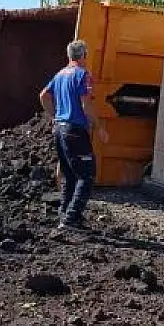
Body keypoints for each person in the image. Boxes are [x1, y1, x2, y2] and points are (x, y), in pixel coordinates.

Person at [40, 40, 98, 229]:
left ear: (69, 55)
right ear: (84, 55)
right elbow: (86, 104)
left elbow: (43, 96)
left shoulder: (60, 74)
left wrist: (54, 116)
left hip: (60, 129)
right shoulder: (83, 75)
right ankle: (71, 218)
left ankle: (64, 214)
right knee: (86, 176)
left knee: (69, 174)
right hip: (75, 130)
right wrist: (98, 125)